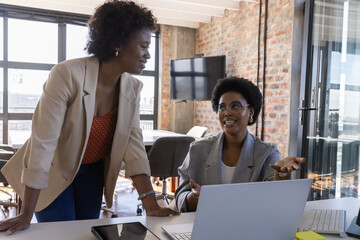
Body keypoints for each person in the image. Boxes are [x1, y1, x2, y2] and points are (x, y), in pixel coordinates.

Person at [0, 0, 178, 235]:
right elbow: (43, 144)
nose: (147, 55)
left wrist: (151, 205)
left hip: (92, 173)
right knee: (61, 234)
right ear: (117, 43)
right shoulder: (67, 74)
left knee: (87, 233)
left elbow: (134, 147)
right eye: (144, 46)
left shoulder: (132, 88)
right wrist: (26, 214)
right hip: (54, 168)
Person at [174, 76, 306, 212]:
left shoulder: (266, 153)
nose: (227, 113)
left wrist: (282, 174)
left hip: (248, 226)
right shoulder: (198, 149)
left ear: (251, 112)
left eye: (235, 106)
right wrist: (193, 199)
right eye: (222, 107)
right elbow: (179, 197)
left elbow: (275, 200)